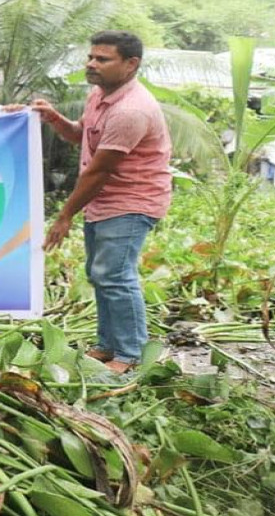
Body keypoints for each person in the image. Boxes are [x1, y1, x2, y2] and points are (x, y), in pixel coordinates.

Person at [28, 31, 171, 374]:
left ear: (131, 64)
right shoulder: (99, 95)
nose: (92, 64)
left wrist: (63, 216)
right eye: (91, 57)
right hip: (106, 200)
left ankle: (131, 353)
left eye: (102, 59)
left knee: (115, 275)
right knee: (100, 273)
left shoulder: (131, 110)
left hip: (131, 200)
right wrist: (54, 117)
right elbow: (82, 134)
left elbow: (99, 171)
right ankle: (109, 345)